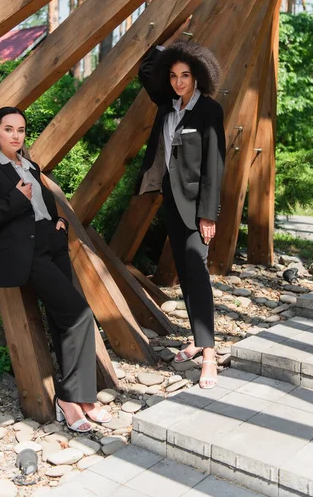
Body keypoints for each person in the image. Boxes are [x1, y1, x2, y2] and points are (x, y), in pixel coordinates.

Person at [0, 106, 111, 432]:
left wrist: (58, 222)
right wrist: (17, 199)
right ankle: (70, 397)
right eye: (8, 129)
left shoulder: (29, 165)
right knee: (80, 314)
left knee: (65, 322)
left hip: (53, 247)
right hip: (26, 255)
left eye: (20, 130)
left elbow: (42, 207)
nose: (16, 136)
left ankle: (82, 399)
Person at [136, 41, 226, 389]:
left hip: (197, 208)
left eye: (186, 75)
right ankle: (197, 338)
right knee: (187, 275)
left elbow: (214, 167)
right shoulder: (167, 107)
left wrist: (208, 215)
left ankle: (209, 355)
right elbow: (146, 70)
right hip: (172, 204)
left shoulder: (209, 111)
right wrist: (167, 47)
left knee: (197, 272)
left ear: (199, 76)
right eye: (173, 76)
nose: (178, 82)